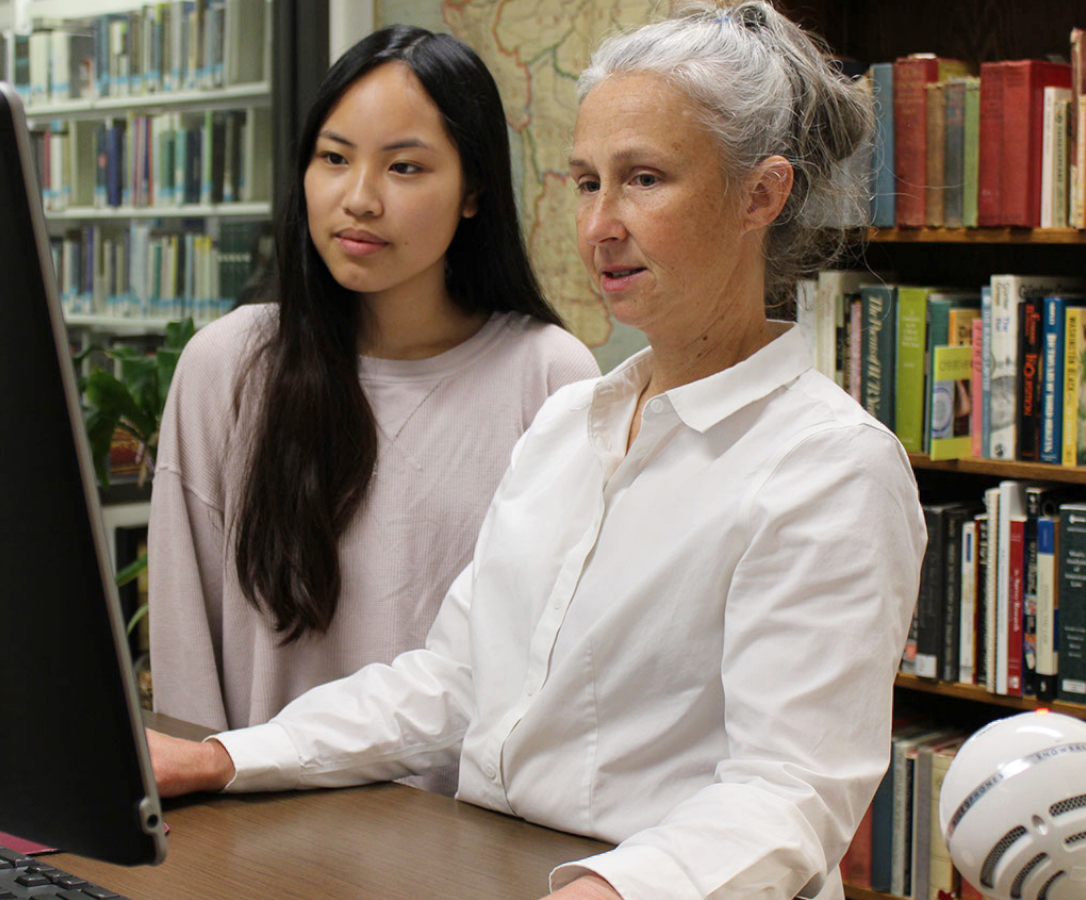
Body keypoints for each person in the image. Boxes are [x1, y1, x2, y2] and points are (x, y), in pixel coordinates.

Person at [148, 2, 929, 898]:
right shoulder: (570, 425)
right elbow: (453, 680)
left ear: (761, 194)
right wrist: (223, 758)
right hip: (491, 871)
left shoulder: (830, 467)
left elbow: (790, 790)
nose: (600, 223)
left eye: (644, 179)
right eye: (587, 181)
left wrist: (607, 890)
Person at [148, 25, 600, 738]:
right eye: (333, 158)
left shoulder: (549, 379)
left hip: (453, 839)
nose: (358, 198)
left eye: (405, 168)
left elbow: (556, 665)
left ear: (474, 190)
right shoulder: (227, 368)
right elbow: (184, 651)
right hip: (249, 827)